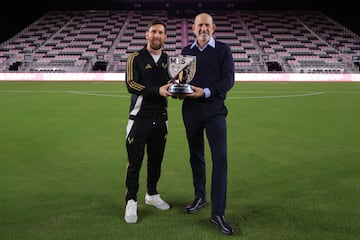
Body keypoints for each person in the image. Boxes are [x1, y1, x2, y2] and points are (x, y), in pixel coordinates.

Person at [180, 13, 235, 235]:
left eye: (207, 25)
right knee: (196, 156)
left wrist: (206, 92)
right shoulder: (186, 52)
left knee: (220, 158)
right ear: (193, 28)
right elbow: (182, 80)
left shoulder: (223, 50)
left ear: (214, 28)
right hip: (191, 112)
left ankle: (218, 212)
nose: (203, 28)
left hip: (215, 112)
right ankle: (200, 197)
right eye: (199, 25)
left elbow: (228, 80)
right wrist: (179, 91)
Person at [124, 19, 173, 224]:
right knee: (135, 164)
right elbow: (130, 84)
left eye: (160, 32)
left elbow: (172, 81)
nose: (156, 35)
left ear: (165, 37)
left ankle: (151, 195)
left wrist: (175, 88)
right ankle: (131, 200)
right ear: (147, 35)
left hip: (161, 119)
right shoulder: (135, 57)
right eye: (153, 32)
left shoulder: (168, 58)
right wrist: (157, 91)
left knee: (156, 162)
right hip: (139, 118)